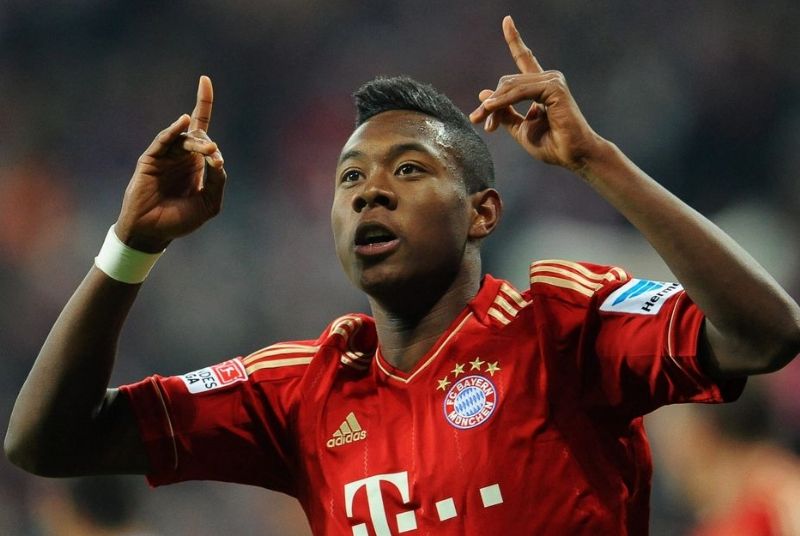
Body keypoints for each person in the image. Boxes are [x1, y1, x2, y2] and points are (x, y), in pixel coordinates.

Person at [5, 15, 800, 535]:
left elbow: (765, 333)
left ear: (482, 213)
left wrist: (599, 161)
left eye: (409, 169)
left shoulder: (563, 326)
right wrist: (131, 245)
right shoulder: (300, 393)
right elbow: (47, 441)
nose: (369, 192)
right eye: (349, 179)